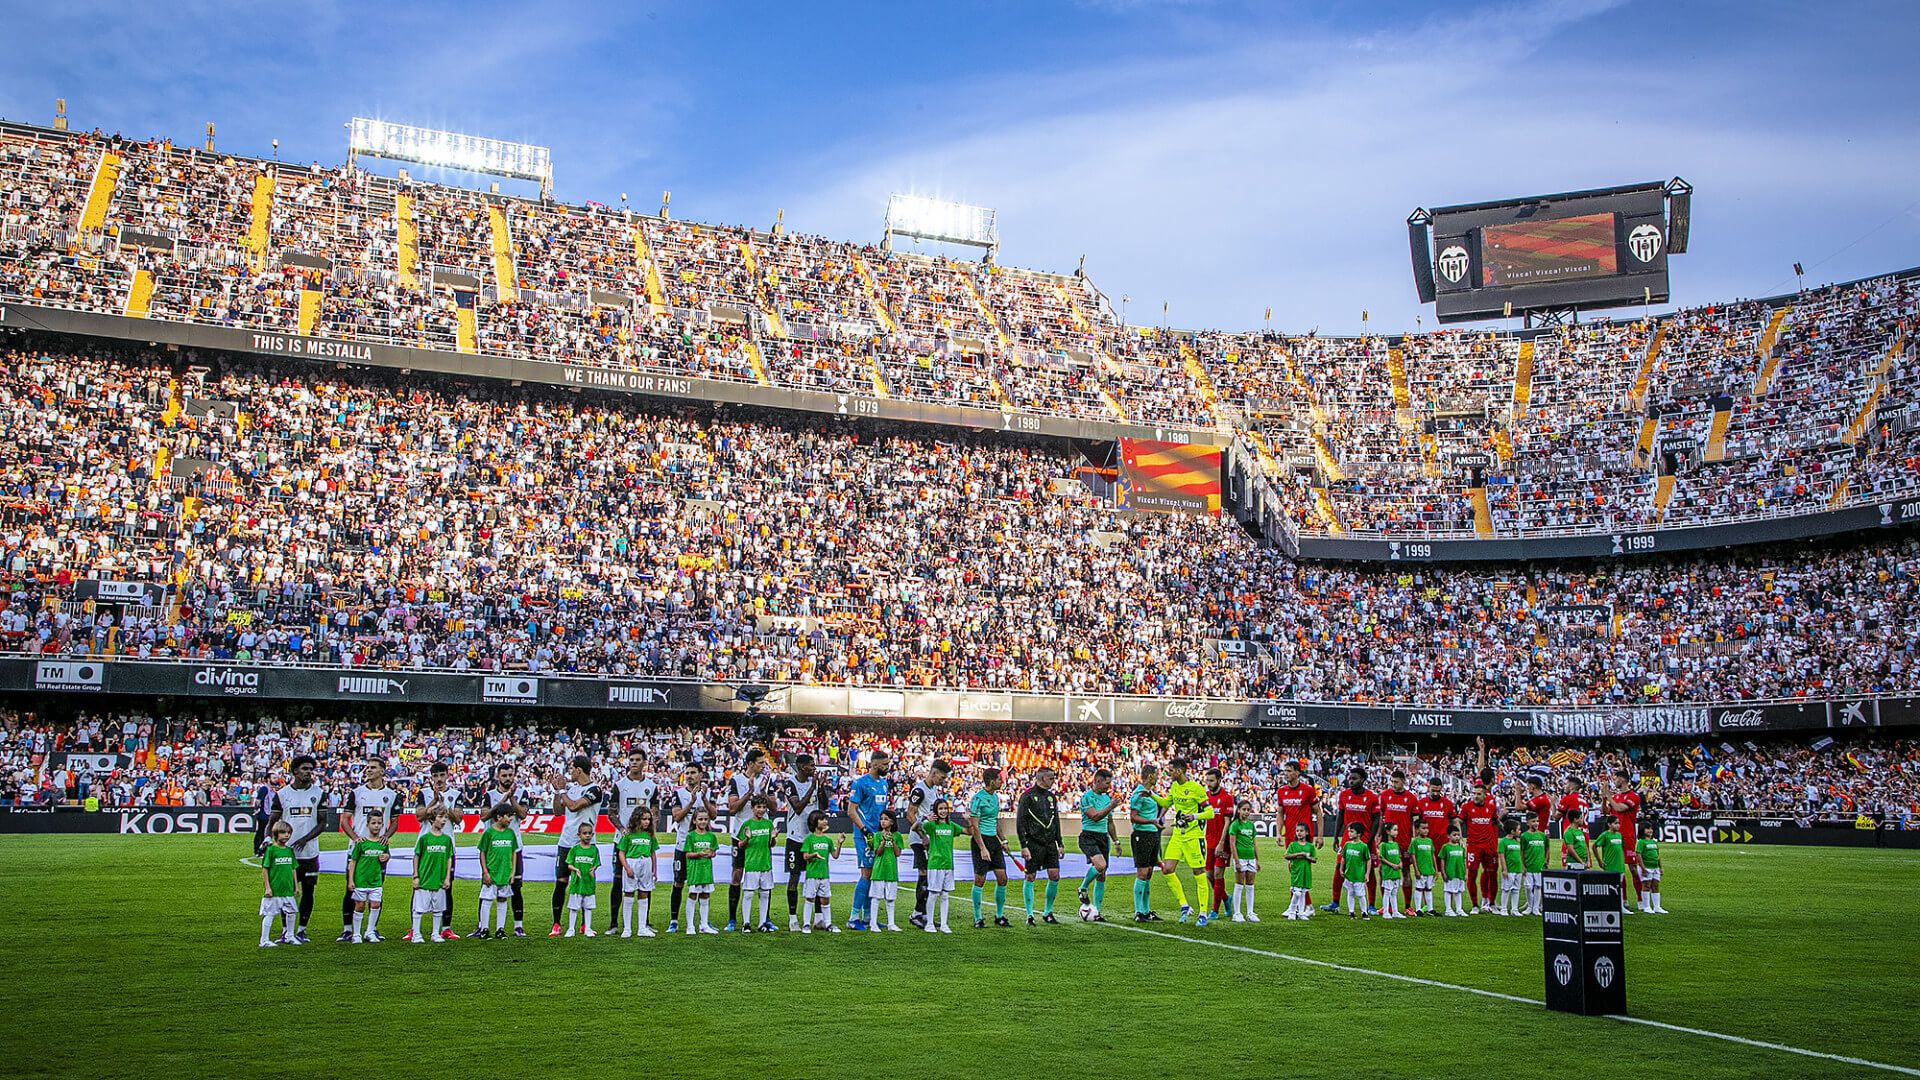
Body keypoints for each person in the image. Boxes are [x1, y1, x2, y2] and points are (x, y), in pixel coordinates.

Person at [339, 758, 400, 942]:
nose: (368, 770)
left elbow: (395, 821)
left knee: (376, 889)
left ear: (382, 771)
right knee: (351, 889)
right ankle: (348, 929)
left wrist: (386, 837)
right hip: (357, 850)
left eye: (373, 768)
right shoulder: (356, 793)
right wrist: (356, 839)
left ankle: (372, 930)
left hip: (378, 852)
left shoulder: (392, 795)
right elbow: (344, 820)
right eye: (367, 767)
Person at [267, 754, 324, 944]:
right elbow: (273, 821)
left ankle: (302, 930)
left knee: (308, 891)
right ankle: (286, 931)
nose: (309, 772)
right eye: (305, 769)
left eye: (311, 769)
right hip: (287, 853)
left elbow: (323, 823)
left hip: (310, 853)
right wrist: (269, 839)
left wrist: (305, 839)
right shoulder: (282, 794)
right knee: (286, 892)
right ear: (294, 771)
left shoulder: (319, 793)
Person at [548, 754, 605, 938]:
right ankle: (556, 924)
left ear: (579, 770)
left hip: (586, 844)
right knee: (561, 882)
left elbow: (573, 807)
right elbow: (558, 812)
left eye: (571, 768)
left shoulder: (595, 789)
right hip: (565, 842)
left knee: (585, 882)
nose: (569, 772)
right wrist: (558, 792)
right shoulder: (571, 789)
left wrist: (562, 789)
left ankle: (583, 924)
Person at [1159, 758, 1216, 926]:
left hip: (1193, 837)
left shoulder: (1196, 789)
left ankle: (1203, 913)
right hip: (1178, 835)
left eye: (1171, 770)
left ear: (1180, 771)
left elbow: (1210, 813)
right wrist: (1151, 794)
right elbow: (1165, 802)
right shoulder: (1175, 787)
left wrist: (1194, 816)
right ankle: (1184, 905)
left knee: (1199, 873)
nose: (1169, 773)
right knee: (1167, 869)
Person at [474, 763, 528, 936]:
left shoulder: (522, 793)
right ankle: (482, 926)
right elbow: (484, 816)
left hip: (514, 847)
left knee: (516, 886)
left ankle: (517, 926)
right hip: (493, 849)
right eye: (504, 775)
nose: (507, 778)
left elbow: (523, 815)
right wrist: (503, 800)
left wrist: (512, 799)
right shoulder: (489, 795)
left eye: (510, 775)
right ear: (498, 776)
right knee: (487, 885)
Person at [724, 748, 774, 932]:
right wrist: (750, 792)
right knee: (737, 874)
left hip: (762, 835)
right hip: (740, 834)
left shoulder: (767, 780)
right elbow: (732, 808)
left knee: (764, 875)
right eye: (760, 763)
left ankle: (765, 919)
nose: (764, 765)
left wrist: (763, 793)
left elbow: (775, 808)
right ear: (751, 763)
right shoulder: (736, 780)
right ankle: (732, 919)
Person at [780, 754, 830, 931]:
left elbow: (824, 806)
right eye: (811, 765)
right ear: (801, 767)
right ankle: (793, 918)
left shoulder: (814, 783)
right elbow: (798, 808)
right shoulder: (790, 783)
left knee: (815, 877)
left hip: (812, 838)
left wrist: (821, 787)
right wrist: (813, 787)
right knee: (794, 877)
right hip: (795, 837)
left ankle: (818, 918)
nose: (814, 768)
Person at [609, 757, 658, 934]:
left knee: (646, 881)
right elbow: (611, 812)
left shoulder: (651, 786)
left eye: (638, 760)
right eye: (632, 760)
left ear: (644, 762)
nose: (634, 763)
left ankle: (644, 923)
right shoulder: (619, 785)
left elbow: (655, 811)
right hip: (623, 839)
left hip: (643, 840)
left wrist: (650, 829)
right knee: (618, 881)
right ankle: (615, 924)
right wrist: (622, 829)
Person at [415, 761, 464, 940]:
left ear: (447, 775)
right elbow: (419, 816)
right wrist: (434, 801)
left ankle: (446, 927)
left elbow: (458, 818)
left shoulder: (456, 794)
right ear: (431, 777)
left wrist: (445, 806)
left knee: (446, 886)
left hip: (447, 847)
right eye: (435, 776)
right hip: (426, 846)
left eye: (442, 775)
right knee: (419, 887)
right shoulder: (423, 793)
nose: (439, 779)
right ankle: (415, 927)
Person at [847, 750, 891, 932]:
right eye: (884, 764)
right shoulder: (861, 783)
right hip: (864, 835)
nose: (887, 767)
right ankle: (853, 917)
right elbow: (851, 810)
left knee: (873, 875)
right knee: (866, 874)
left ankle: (867, 917)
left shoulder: (884, 784)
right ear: (874, 764)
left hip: (877, 835)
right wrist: (865, 831)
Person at [1324, 768, 1379, 915]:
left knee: (1369, 870)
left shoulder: (1372, 797)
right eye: (1350, 778)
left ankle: (1372, 905)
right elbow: (1340, 816)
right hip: (1347, 839)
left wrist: (1370, 840)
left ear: (1362, 779)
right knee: (1338, 867)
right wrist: (1336, 837)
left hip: (1366, 840)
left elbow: (1376, 820)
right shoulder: (1344, 795)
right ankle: (1335, 903)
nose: (1351, 780)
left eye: (1354, 778)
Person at [905, 759, 951, 929]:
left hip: (930, 839)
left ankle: (923, 913)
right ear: (934, 773)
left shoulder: (933, 791)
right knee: (924, 874)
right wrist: (922, 835)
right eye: (942, 777)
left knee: (928, 876)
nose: (943, 780)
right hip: (919, 839)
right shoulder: (919, 790)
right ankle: (917, 914)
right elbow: (910, 815)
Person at [1015, 766, 1063, 926]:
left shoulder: (1051, 797)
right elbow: (1020, 821)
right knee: (1030, 876)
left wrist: (1060, 843)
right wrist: (1023, 845)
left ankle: (1048, 912)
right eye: (1051, 778)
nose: (1053, 781)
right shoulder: (1027, 796)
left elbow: (1055, 821)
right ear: (1042, 779)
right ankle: (1029, 914)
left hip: (1050, 843)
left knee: (1054, 875)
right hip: (1033, 843)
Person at [666, 762, 711, 934]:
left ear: (700, 774)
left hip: (701, 846)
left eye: (693, 772)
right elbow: (676, 817)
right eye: (688, 772)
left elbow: (713, 815)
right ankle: (674, 920)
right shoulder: (678, 793)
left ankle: (703, 922)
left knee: (701, 883)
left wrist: (704, 799)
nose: (690, 775)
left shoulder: (706, 793)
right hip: (682, 845)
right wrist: (691, 802)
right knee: (678, 882)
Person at [1075, 768, 1121, 922]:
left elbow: (1109, 822)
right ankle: (1082, 888)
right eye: (1107, 783)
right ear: (1097, 781)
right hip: (1089, 836)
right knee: (1101, 865)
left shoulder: (1106, 798)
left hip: (1103, 837)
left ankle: (1096, 912)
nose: (1109, 786)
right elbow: (1094, 817)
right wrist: (1111, 806)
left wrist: (1116, 841)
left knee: (1102, 875)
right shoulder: (1087, 797)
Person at [968, 767, 1011, 929]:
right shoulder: (978, 798)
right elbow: (974, 826)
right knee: (980, 880)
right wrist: (982, 848)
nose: (1002, 781)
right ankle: (978, 917)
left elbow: (996, 820)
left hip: (993, 841)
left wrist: (1003, 840)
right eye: (999, 779)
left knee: (1003, 878)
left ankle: (999, 916)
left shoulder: (995, 797)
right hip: (981, 841)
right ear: (991, 780)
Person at [1274, 761, 1320, 908]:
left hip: (1305, 836)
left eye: (1289, 771)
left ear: (1297, 773)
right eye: (1285, 771)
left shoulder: (1308, 790)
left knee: (1303, 867)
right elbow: (1280, 813)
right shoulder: (1281, 791)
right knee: (1293, 867)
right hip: (1290, 835)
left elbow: (1318, 812)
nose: (1286, 774)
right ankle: (1302, 904)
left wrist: (1320, 835)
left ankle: (1303, 904)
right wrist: (1278, 833)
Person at [913, 797, 961, 934]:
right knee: (933, 894)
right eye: (940, 809)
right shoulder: (931, 825)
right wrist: (923, 818)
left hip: (948, 865)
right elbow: (915, 827)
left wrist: (970, 820)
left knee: (945, 895)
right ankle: (929, 923)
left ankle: (944, 924)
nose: (943, 811)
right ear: (935, 810)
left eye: (945, 808)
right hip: (935, 864)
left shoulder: (951, 826)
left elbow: (967, 831)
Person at [476, 802, 522, 939]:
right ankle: (484, 929)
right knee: (487, 900)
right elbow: (482, 852)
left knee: (503, 900)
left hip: (505, 873)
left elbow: (514, 852)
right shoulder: (489, 833)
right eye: (508, 816)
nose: (511, 819)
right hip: (492, 872)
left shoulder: (510, 833)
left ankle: (500, 929)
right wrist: (485, 871)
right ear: (499, 817)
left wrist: (513, 872)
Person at [410, 807, 456, 944]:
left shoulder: (447, 840)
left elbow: (449, 858)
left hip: (439, 879)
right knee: (419, 908)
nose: (443, 821)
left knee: (438, 908)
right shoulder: (424, 838)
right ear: (432, 819)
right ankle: (416, 933)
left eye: (445, 818)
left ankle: (435, 933)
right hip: (424, 878)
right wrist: (416, 876)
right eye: (441, 817)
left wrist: (447, 877)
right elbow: (416, 856)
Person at [1128, 762, 1167, 923]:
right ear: (1150, 776)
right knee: (1142, 873)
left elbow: (1166, 803)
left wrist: (1157, 819)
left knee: (1149, 872)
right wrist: (1151, 820)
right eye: (1156, 774)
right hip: (1142, 835)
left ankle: (1146, 910)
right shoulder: (1139, 794)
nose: (1158, 777)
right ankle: (1139, 911)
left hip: (1152, 834)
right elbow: (1133, 816)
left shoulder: (1151, 794)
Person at [1379, 769, 1419, 916]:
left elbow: (1415, 821)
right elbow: (1381, 817)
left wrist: (1414, 839)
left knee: (1406, 872)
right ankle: (1387, 906)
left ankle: (1408, 906)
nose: (1393, 784)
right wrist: (1379, 835)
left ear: (1403, 781)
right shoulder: (1385, 795)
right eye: (1392, 781)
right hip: (1387, 842)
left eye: (1396, 781)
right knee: (1384, 873)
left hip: (1404, 842)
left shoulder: (1411, 798)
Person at [735, 795, 778, 933]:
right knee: (748, 894)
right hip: (752, 863)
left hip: (765, 864)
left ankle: (762, 923)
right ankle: (746, 923)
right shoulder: (747, 824)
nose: (761, 810)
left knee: (765, 894)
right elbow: (740, 845)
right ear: (752, 808)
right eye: (758, 807)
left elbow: (771, 845)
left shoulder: (768, 824)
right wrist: (747, 839)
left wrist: (773, 839)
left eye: (764, 807)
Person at [1604, 769, 1645, 911]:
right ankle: (1624, 900)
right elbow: (1605, 812)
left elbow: (1619, 808)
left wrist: (1608, 795)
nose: (1614, 781)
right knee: (1619, 869)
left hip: (1628, 836)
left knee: (1633, 868)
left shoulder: (1634, 796)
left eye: (1615, 779)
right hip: (1615, 837)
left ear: (1622, 780)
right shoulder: (1614, 796)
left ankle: (1641, 900)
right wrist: (1605, 798)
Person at [348, 810, 391, 942]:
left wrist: (387, 857)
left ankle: (370, 931)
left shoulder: (384, 843)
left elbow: (386, 856)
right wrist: (351, 880)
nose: (376, 826)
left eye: (379, 823)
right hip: (361, 880)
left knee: (376, 905)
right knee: (359, 906)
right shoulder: (361, 843)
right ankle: (356, 934)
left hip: (376, 880)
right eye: (373, 823)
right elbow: (353, 861)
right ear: (367, 824)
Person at [618, 806, 660, 937]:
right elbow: (621, 852)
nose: (647, 822)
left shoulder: (650, 835)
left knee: (644, 893)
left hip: (645, 863)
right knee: (629, 894)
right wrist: (627, 868)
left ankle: (642, 928)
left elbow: (653, 853)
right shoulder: (628, 834)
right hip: (632, 863)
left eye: (648, 819)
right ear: (637, 819)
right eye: (644, 819)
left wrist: (654, 870)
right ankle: (627, 928)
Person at [1460, 780, 1501, 914]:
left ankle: (1492, 903)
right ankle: (1475, 905)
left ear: (1485, 795)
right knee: (1471, 875)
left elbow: (1495, 821)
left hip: (1489, 847)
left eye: (1479, 794)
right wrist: (1459, 836)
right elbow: (1458, 821)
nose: (1476, 796)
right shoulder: (1466, 807)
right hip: (1473, 847)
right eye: (1474, 793)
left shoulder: (1491, 808)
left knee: (1492, 874)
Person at [258, 820, 300, 948]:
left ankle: (290, 936)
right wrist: (267, 887)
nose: (286, 835)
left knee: (292, 912)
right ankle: (264, 940)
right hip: (275, 889)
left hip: (287, 889)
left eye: (288, 833)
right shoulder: (271, 850)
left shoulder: (289, 850)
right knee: (270, 913)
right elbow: (265, 870)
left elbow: (293, 868)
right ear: (276, 834)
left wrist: (296, 886)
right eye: (283, 833)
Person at [1202, 768, 1236, 920]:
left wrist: (1222, 843)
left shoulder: (1227, 798)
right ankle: (1226, 898)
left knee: (1217, 874)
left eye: (1211, 781)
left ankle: (1215, 910)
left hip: (1223, 843)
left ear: (1219, 780)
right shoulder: (1206, 797)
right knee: (1209, 875)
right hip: (1209, 841)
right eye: (1207, 781)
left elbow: (1227, 822)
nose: (1209, 784)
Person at [681, 806, 721, 935]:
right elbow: (687, 854)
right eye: (700, 819)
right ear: (694, 821)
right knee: (692, 895)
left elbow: (713, 852)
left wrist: (711, 854)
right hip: (694, 871)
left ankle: (704, 925)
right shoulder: (691, 836)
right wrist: (699, 854)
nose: (703, 822)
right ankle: (690, 926)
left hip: (706, 871)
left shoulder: (711, 836)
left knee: (705, 895)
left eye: (705, 819)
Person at [799, 810, 841, 934]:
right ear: (814, 822)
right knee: (809, 899)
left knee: (825, 899)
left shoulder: (827, 840)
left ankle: (828, 924)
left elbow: (835, 855)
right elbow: (805, 856)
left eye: (825, 819)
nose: (825, 821)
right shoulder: (809, 839)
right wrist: (814, 855)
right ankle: (806, 924)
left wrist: (839, 844)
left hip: (824, 875)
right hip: (812, 875)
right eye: (822, 819)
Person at [866, 809, 907, 932]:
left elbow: (898, 853)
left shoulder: (897, 836)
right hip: (878, 871)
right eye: (881, 819)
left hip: (891, 871)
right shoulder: (876, 835)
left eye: (886, 819)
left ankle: (891, 924)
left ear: (892, 822)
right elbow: (878, 852)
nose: (883, 821)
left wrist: (892, 841)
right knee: (876, 898)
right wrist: (884, 841)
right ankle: (873, 924)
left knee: (890, 899)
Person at [1221, 801, 1260, 922]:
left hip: (1251, 858)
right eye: (1244, 809)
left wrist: (1257, 860)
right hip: (1241, 858)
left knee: (1250, 885)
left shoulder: (1251, 825)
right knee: (1239, 884)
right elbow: (1232, 844)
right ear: (1238, 810)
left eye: (1248, 810)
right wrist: (1236, 861)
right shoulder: (1235, 825)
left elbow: (1254, 843)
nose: (1246, 812)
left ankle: (1250, 912)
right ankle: (1237, 913)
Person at [562, 820, 601, 938]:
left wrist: (593, 869)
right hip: (576, 883)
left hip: (588, 883)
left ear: (592, 835)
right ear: (579, 835)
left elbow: (596, 863)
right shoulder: (575, 849)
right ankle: (571, 929)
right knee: (574, 907)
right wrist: (575, 869)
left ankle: (588, 928)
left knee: (588, 907)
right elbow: (569, 864)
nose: (587, 835)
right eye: (585, 833)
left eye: (589, 833)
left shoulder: (594, 850)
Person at [1593, 814, 1629, 915]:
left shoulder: (1619, 835)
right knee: (1610, 887)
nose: (1618, 825)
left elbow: (1621, 849)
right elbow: (1595, 846)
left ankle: (1620, 906)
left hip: (1619, 865)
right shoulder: (1605, 835)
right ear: (1609, 824)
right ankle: (1609, 905)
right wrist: (1599, 860)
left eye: (1619, 823)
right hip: (1610, 865)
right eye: (1615, 823)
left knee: (1619, 887)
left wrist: (1622, 860)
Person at [1283, 823, 1316, 920]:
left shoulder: (1310, 846)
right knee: (1297, 892)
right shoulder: (1293, 845)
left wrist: (1308, 857)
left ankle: (1301, 913)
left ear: (1306, 833)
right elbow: (1286, 856)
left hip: (1306, 873)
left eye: (1301, 831)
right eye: (1297, 831)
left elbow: (1314, 859)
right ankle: (1292, 911)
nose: (1299, 833)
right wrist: (1298, 854)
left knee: (1302, 893)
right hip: (1296, 872)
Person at [1339, 823, 1371, 920]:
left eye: (1352, 831)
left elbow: (1368, 859)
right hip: (1349, 875)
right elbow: (1343, 858)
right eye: (1349, 831)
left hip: (1358, 876)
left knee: (1361, 895)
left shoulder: (1363, 846)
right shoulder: (1347, 845)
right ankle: (1351, 912)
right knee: (1350, 893)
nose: (1349, 833)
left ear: (1359, 834)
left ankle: (1364, 912)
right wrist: (1341, 869)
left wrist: (1367, 873)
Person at [1520, 818, 1550, 916]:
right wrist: (1523, 865)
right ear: (1527, 823)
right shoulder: (1524, 836)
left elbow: (1547, 848)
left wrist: (1546, 860)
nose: (1536, 823)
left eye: (1537, 821)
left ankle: (1536, 908)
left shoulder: (1542, 835)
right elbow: (1522, 851)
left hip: (1539, 866)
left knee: (1538, 886)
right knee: (1528, 887)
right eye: (1533, 821)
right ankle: (1530, 906)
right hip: (1529, 866)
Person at [1496, 819, 1525, 917]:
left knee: (1516, 889)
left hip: (1518, 870)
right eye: (1518, 830)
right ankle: (1503, 909)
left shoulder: (1518, 842)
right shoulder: (1503, 842)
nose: (1520, 831)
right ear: (1512, 831)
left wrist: (1522, 868)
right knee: (1506, 889)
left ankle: (1514, 909)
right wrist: (1504, 869)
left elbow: (1521, 856)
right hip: (1509, 870)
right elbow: (1502, 856)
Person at [1557, 777, 1589, 867]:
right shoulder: (1584, 801)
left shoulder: (1568, 798)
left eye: (1566, 784)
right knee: (1583, 867)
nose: (1564, 786)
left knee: (1568, 867)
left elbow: (1556, 817)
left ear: (1571, 786)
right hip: (1584, 834)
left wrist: (1553, 803)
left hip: (1572, 836)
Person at [1634, 829, 1667, 913]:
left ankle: (1657, 907)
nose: (1650, 830)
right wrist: (1643, 868)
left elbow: (1657, 855)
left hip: (1655, 867)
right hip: (1646, 867)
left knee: (1655, 886)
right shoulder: (1641, 842)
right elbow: (1638, 855)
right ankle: (1647, 907)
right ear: (1642, 830)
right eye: (1647, 829)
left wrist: (1661, 867)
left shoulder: (1653, 841)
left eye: (1651, 828)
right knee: (1646, 885)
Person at [1375, 828, 1405, 920]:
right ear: (1388, 831)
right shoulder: (1383, 845)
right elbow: (1381, 857)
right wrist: (1392, 865)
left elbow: (1398, 856)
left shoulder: (1396, 844)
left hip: (1396, 872)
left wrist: (1400, 863)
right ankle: (1386, 911)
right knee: (1387, 892)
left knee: (1394, 892)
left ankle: (1395, 912)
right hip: (1388, 872)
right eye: (1394, 830)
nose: (1397, 832)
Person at [1438, 827, 1468, 917]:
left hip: (1460, 873)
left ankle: (1459, 909)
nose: (1457, 837)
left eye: (1458, 835)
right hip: (1450, 873)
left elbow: (1464, 861)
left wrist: (1465, 873)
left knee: (1459, 891)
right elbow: (1442, 860)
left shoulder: (1461, 848)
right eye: (1454, 835)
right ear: (1448, 836)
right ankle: (1448, 909)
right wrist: (1443, 873)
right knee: (1448, 891)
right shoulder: (1445, 847)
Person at [1409, 825, 1438, 916]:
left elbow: (1432, 855)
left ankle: (1430, 909)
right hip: (1421, 870)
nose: (1426, 830)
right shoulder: (1415, 842)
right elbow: (1413, 856)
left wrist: (1436, 869)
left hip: (1429, 870)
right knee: (1419, 889)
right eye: (1423, 828)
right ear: (1417, 830)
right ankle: (1418, 909)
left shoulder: (1429, 841)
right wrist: (1416, 869)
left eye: (1427, 828)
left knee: (1429, 889)